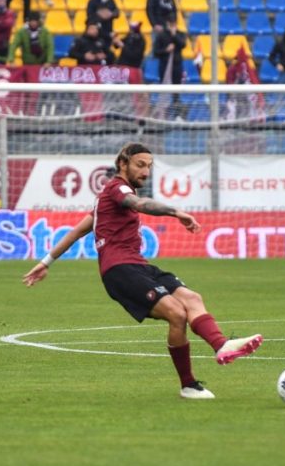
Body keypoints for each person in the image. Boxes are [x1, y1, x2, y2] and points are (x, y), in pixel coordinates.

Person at [22, 143, 264, 400]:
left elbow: (76, 232)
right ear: (123, 163)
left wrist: (46, 261)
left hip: (139, 265)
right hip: (119, 270)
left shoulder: (104, 201)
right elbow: (137, 203)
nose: (146, 172)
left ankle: (221, 345)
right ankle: (189, 385)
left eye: (149, 166)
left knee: (192, 299)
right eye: (140, 165)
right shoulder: (117, 188)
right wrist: (176, 212)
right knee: (177, 313)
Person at [224, 47, 260, 119]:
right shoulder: (232, 69)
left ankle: (253, 118)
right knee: (232, 102)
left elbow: (254, 81)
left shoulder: (250, 69)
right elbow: (229, 82)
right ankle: (230, 118)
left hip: (247, 92)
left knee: (252, 98)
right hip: (236, 91)